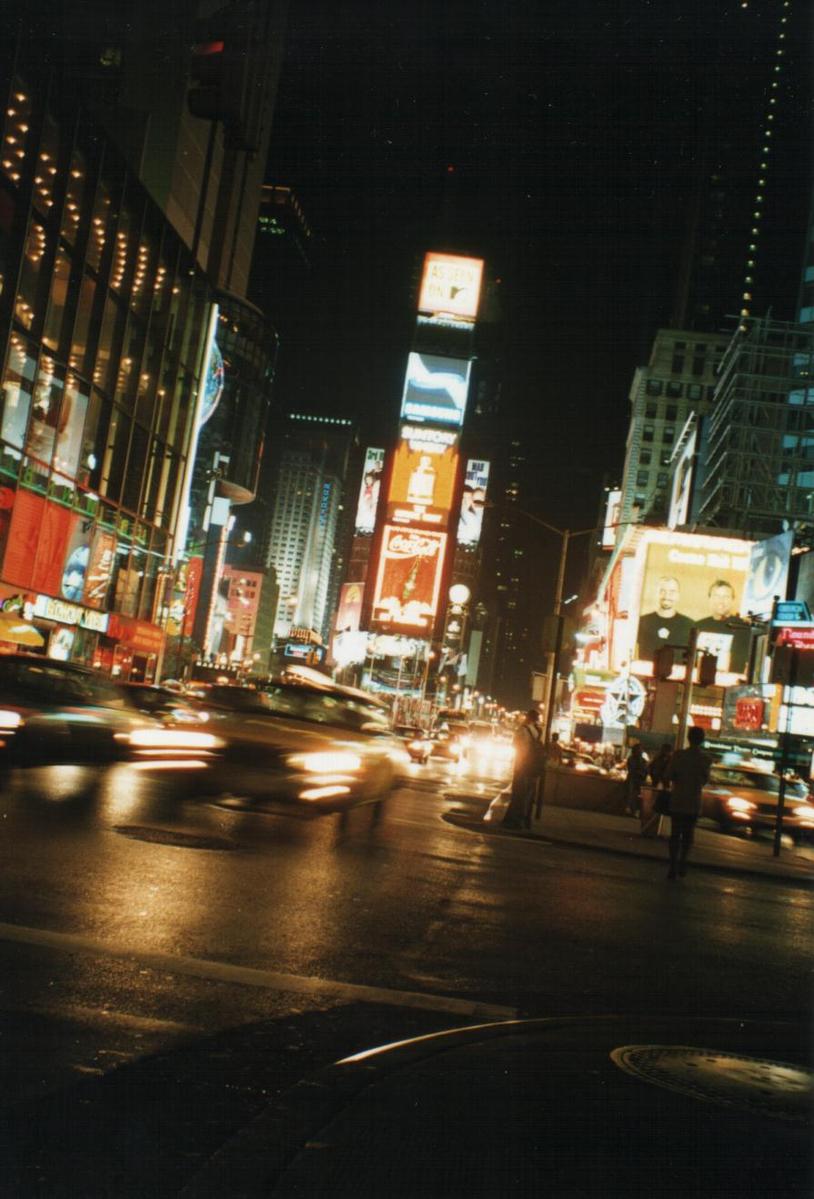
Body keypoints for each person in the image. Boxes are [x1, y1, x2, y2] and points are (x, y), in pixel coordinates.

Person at [665, 725, 711, 879]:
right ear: (702, 740)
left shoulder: (678, 756)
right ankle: (683, 862)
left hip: (678, 800)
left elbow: (669, 775)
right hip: (693, 801)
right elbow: (705, 780)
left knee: (675, 834)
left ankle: (672, 865)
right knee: (688, 835)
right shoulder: (705, 759)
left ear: (688, 738)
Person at [694, 579, 751, 675]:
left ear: (732, 600)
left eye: (726, 597)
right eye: (717, 596)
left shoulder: (743, 628)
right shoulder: (699, 626)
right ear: (710, 599)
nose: (721, 601)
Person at [503, 708, 545, 830]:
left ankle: (514, 820)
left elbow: (519, 747)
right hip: (533, 767)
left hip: (523, 765)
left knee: (518, 794)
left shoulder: (523, 730)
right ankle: (524, 820)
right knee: (528, 795)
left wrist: (520, 764)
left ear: (528, 718)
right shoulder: (537, 731)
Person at [636, 576, 694, 661]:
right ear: (657, 594)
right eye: (662, 591)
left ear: (678, 596)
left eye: (672, 592)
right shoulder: (642, 622)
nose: (667, 596)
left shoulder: (689, 625)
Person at [625, 741, 649, 816]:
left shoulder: (640, 760)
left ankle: (634, 809)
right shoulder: (634, 759)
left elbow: (644, 771)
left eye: (640, 750)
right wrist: (641, 773)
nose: (640, 751)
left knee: (635, 794)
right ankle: (632, 809)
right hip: (635, 779)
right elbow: (633, 769)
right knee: (632, 794)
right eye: (639, 749)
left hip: (636, 779)